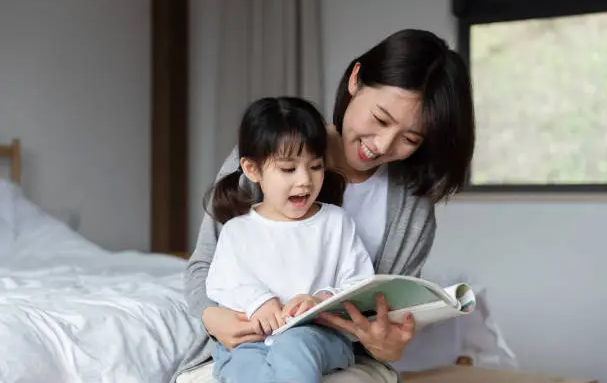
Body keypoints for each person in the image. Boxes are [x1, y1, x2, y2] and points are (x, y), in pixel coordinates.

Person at [172, 28, 475, 383]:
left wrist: (386, 345)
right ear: (356, 80)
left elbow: (379, 308)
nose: (380, 145)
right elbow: (205, 268)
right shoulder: (268, 150)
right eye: (379, 119)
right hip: (244, 342)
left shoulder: (409, 210)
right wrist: (213, 317)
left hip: (337, 353)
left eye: (409, 139)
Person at [204, 96, 376, 383]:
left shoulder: (336, 223)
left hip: (321, 338)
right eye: (288, 169)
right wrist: (258, 301)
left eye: (315, 166)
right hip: (254, 340)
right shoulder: (238, 231)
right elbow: (221, 283)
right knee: (241, 365)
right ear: (252, 169)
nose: (305, 181)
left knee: (295, 345)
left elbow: (360, 284)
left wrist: (321, 300)